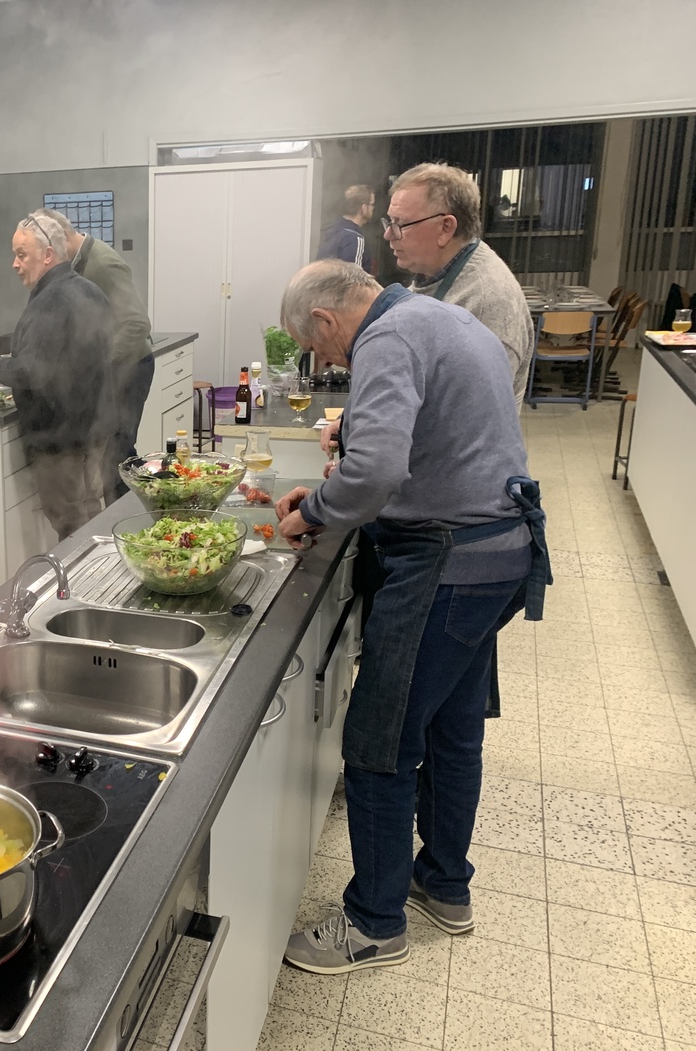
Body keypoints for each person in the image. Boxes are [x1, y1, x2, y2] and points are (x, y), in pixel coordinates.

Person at [273, 260, 549, 975]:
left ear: (326, 319)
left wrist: (311, 512)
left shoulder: (386, 337)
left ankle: (373, 923)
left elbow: (375, 473)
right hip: (497, 553)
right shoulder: (439, 316)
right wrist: (349, 467)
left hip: (445, 564)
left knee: (379, 741)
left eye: (316, 348)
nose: (325, 363)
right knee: (452, 731)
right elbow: (432, 442)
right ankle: (444, 885)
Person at [0, 213, 113, 540]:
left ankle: (80, 573)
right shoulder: (90, 290)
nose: (15, 264)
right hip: (93, 430)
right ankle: (100, 570)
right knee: (91, 513)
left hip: (58, 439)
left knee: (70, 525)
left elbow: (33, 370)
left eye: (22, 255)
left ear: (48, 255)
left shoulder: (50, 302)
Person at [384, 163, 533, 412]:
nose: (389, 234)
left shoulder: (487, 302)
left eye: (401, 224)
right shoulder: (432, 274)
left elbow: (473, 415)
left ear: (446, 228)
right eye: (389, 222)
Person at [32, 208, 154, 504]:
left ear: (60, 237)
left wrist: (96, 364)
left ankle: (126, 524)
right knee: (116, 454)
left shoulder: (103, 262)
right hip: (112, 371)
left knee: (116, 458)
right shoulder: (77, 263)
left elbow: (137, 324)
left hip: (129, 369)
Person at [317, 185, 376, 273]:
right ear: (363, 208)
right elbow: (353, 277)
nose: (373, 208)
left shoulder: (331, 231)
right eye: (372, 204)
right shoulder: (354, 238)